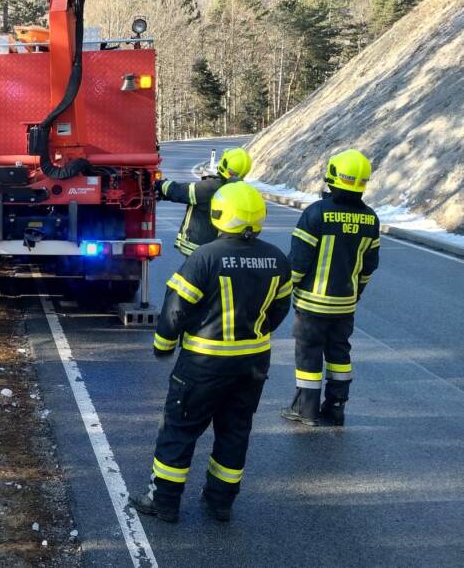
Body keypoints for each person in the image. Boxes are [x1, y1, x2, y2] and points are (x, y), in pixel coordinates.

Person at [130, 182, 292, 523]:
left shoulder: (205, 256)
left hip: (203, 364)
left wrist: (163, 344)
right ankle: (220, 503)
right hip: (252, 364)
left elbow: (175, 309)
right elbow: (279, 310)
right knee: (234, 431)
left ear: (220, 215)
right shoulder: (277, 259)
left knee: (179, 429)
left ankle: (164, 501)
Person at [281, 149, 380, 427]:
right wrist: (354, 294)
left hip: (312, 304)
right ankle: (336, 409)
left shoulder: (316, 213)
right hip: (345, 304)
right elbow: (368, 267)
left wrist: (285, 290)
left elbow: (298, 263)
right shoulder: (371, 219)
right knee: (339, 355)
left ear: (332, 177)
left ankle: (307, 411)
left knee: (309, 354)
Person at [158, 147, 253, 257]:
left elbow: (182, 192)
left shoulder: (212, 187)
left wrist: (159, 185)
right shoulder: (241, 191)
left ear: (225, 164)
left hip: (199, 248)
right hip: (223, 248)